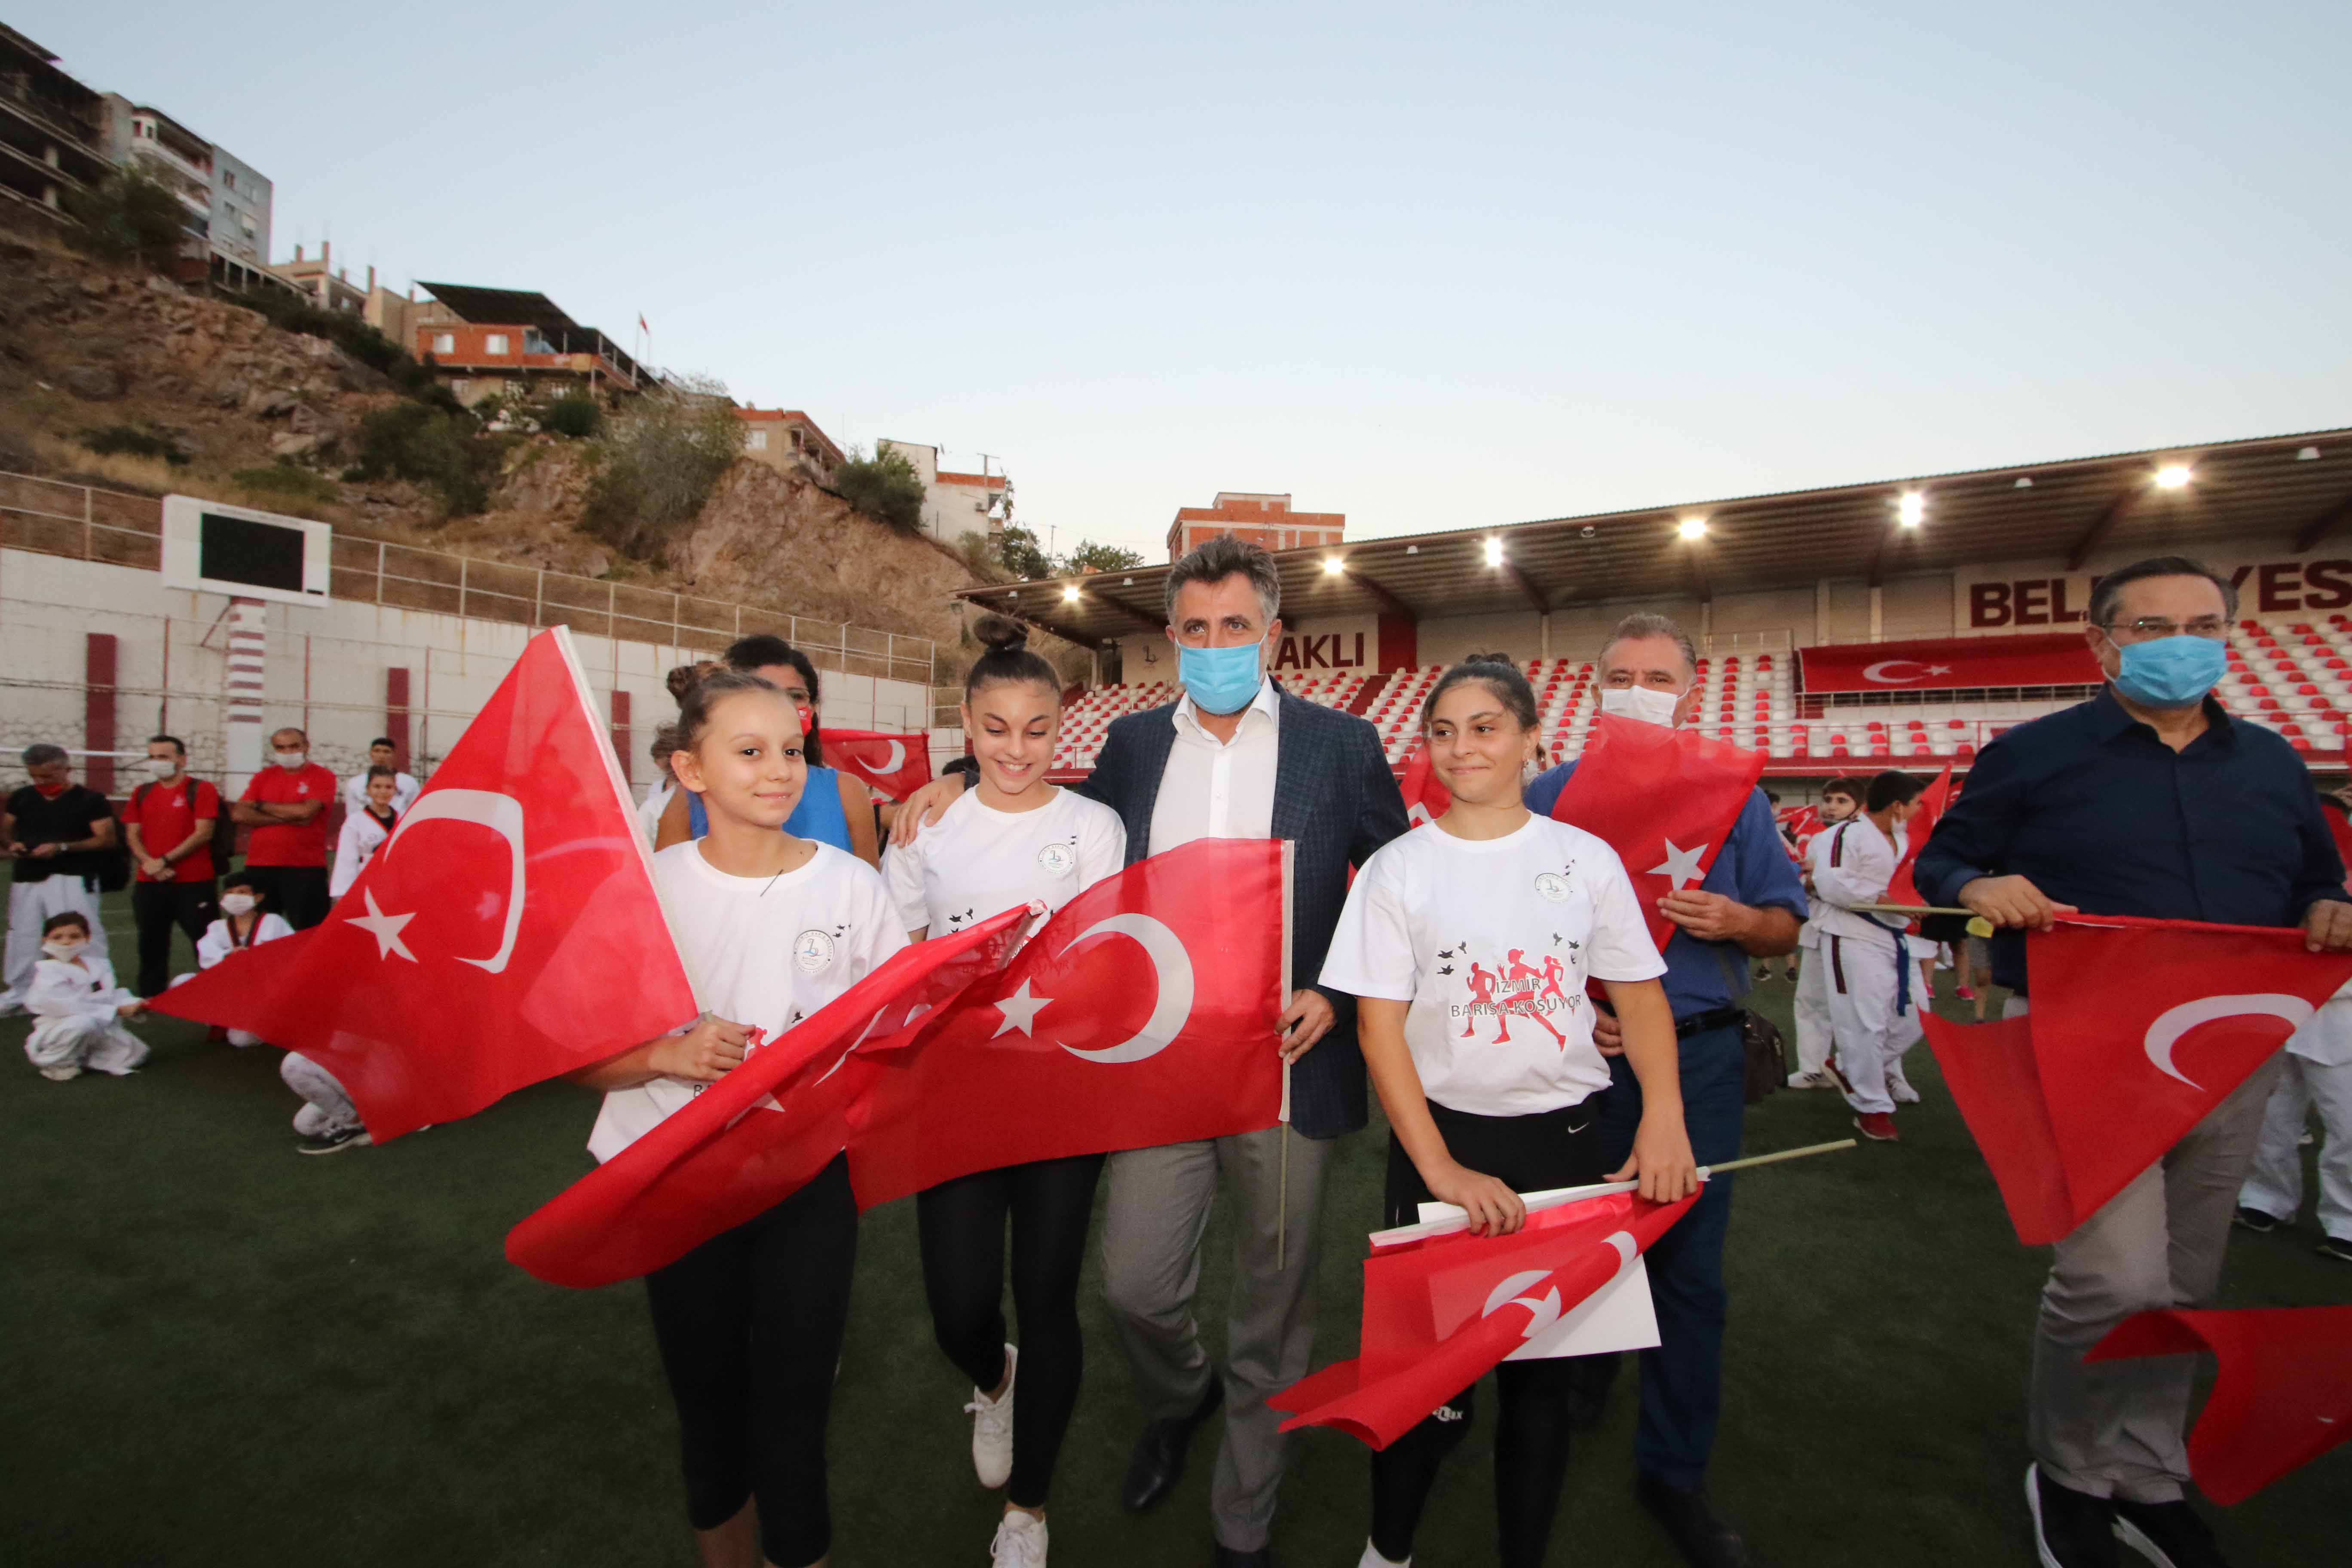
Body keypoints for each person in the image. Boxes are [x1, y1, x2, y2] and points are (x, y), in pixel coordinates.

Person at [894, 535, 1409, 1566]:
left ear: (1274, 634)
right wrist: (952, 778)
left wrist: (1340, 991)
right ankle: (1181, 1397)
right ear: (1171, 637)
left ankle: (1241, 1520)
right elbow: (1032, 793)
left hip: (1284, 1066)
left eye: (1236, 626)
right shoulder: (1131, 747)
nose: (1216, 645)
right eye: (1197, 629)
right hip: (1155, 1067)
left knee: (1271, 1303)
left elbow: (1398, 883)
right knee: (1135, 1284)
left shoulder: (1341, 744)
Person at [1914, 555, 2352, 1568]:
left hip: (2227, 1047)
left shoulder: (2272, 763)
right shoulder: (2031, 753)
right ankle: (2070, 1473)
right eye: (2150, 627)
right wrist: (1977, 887)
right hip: (2083, 1043)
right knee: (2114, 1278)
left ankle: (2148, 1471)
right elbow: (1943, 862)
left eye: (2202, 624)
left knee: (2187, 1279)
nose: (2178, 643)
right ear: (2101, 642)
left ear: (2229, 636)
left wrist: (2328, 905)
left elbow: (2314, 879)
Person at [1321, 656, 1697, 1568]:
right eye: (1443, 731)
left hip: (1566, 1147)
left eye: (1485, 727)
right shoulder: (1397, 869)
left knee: (1543, 1385)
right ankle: (1389, 1549)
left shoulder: (1584, 859)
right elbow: (1379, 1031)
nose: (1462, 748)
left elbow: (1640, 998)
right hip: (1440, 1148)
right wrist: (1442, 1171)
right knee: (1423, 1382)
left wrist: (1664, 1117)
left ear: (1533, 738)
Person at [572, 668, 903, 1568]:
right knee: (709, 1412)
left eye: (791, 749)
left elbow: (895, 1039)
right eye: (750, 751)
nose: (779, 769)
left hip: (804, 1183)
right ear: (691, 769)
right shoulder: (644, 891)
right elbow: (576, 1057)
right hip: (675, 1182)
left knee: (795, 1415)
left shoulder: (853, 889)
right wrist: (665, 1056)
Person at [1524, 613, 1806, 1568]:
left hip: (1702, 1059)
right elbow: (1515, 937)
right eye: (1621, 674)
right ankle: (1583, 1378)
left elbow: (1786, 926)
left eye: (1656, 676)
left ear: (1691, 687)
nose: (1636, 690)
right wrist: (1575, 1008)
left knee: (1688, 1272)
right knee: (1579, 1245)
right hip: (1578, 1063)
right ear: (1593, 685)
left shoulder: (1737, 796)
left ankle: (1674, 1471)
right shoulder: (1550, 796)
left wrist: (1737, 920)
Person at [881, 616, 1127, 1567]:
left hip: (1060, 1097)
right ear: (966, 723)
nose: (1017, 749)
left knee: (1048, 1295)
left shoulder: (1093, 827)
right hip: (953, 1095)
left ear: (1062, 726)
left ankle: (1029, 1510)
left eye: (1036, 728)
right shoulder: (927, 824)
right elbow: (898, 962)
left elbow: (1105, 964)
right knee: (958, 1306)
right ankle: (994, 1380)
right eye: (995, 728)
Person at [659, 637, 881, 867]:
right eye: (750, 752)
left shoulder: (847, 792)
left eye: (796, 696)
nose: (781, 705)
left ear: (813, 707)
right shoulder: (688, 800)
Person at [1812, 771, 1929, 1142]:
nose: (1920, 810)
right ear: (1898, 806)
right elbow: (1830, 881)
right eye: (1916, 803)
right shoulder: (1845, 835)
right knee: (1864, 1023)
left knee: (1918, 1016)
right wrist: (1884, 900)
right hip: (1852, 934)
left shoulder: (1904, 840)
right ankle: (1872, 1107)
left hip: (1896, 938)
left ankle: (1849, 1066)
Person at [3, 743, 119, 1015]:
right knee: (23, 934)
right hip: (28, 876)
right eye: (35, 776)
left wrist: (62, 847)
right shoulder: (22, 797)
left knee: (81, 933)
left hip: (73, 876)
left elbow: (106, 839)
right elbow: (6, 830)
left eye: (48, 776)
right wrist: (12, 845)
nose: (41, 782)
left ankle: (92, 991)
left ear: (67, 770)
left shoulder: (91, 800)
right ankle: (21, 993)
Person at [122, 734, 222, 998]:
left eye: (164, 757)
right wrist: (149, 864)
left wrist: (165, 861)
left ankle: (216, 994)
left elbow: (203, 833)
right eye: (153, 757)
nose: (157, 762)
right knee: (150, 943)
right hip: (149, 882)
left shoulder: (201, 789)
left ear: (182, 760)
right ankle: (151, 996)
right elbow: (132, 834)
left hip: (194, 882)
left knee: (206, 942)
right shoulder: (142, 792)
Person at [1787, 776, 1865, 1088]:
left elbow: (1856, 885)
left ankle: (1873, 1072)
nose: (1832, 807)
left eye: (1842, 801)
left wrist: (1813, 880)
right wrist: (1806, 879)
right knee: (1811, 1000)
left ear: (1860, 806)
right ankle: (1813, 1067)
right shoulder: (1819, 838)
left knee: (1859, 1006)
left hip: (1854, 930)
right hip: (1819, 926)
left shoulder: (1867, 838)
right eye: (1828, 800)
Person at [231, 728, 338, 929]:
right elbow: (239, 814)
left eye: (294, 746)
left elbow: (305, 812)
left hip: (305, 867)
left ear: (306, 746)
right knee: (261, 932)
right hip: (260, 865)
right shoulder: (263, 777)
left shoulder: (322, 776)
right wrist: (288, 816)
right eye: (281, 748)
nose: (288, 752)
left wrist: (260, 805)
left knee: (309, 932)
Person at [23, 910, 147, 1080]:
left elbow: (110, 995)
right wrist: (117, 1011)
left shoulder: (99, 965)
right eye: (57, 937)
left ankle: (85, 1057)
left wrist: (136, 1003)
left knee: (137, 1055)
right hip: (62, 1027)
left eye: (75, 937)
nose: (66, 942)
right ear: (45, 940)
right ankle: (56, 1062)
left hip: (99, 1024)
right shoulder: (47, 973)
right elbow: (69, 1007)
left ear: (87, 938)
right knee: (83, 1023)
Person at [190, 871, 296, 1047]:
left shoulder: (273, 922)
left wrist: (259, 957)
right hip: (231, 990)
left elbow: (291, 953)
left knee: (242, 1041)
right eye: (230, 893)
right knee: (182, 982)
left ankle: (269, 1021)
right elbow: (206, 954)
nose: (235, 897)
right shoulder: (217, 927)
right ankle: (224, 1018)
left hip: (264, 991)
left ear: (258, 897)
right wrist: (227, 955)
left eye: (242, 892)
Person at [331, 766, 402, 899]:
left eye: (388, 787)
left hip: (396, 882)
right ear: (368, 789)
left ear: (395, 790)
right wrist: (342, 893)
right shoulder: (355, 821)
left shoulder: (403, 819)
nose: (383, 792)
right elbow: (347, 859)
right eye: (377, 787)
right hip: (365, 879)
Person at [342, 738, 420, 817]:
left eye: (386, 752)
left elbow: (415, 811)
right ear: (371, 754)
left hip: (399, 823)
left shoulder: (409, 782)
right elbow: (351, 812)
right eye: (377, 751)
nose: (381, 756)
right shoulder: (355, 783)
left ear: (394, 755)